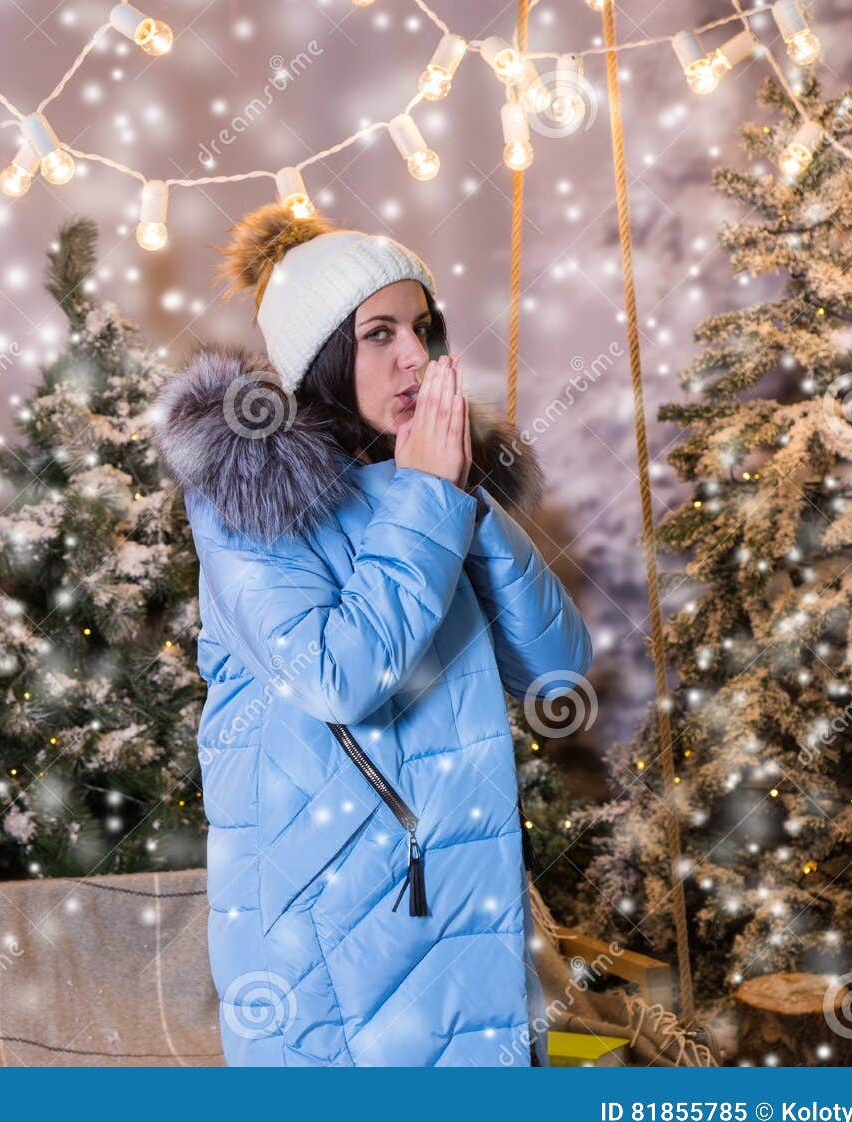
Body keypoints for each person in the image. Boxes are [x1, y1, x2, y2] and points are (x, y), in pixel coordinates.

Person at [152, 203, 593, 1066]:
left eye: (422, 330)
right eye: (379, 333)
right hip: (328, 946)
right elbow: (338, 677)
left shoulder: (425, 480)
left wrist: (461, 496)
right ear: (321, 356)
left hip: (458, 912)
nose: (412, 358)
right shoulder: (249, 505)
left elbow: (557, 668)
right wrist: (430, 499)